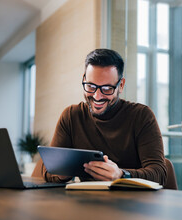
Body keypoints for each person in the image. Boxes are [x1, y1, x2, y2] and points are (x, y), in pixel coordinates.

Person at [38, 48, 167, 185]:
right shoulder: (71, 116)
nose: (97, 96)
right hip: (87, 202)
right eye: (91, 86)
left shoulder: (141, 116)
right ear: (84, 80)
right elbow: (47, 171)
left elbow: (159, 173)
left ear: (121, 85)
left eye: (106, 89)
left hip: (133, 202)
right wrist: (62, 173)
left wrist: (122, 175)